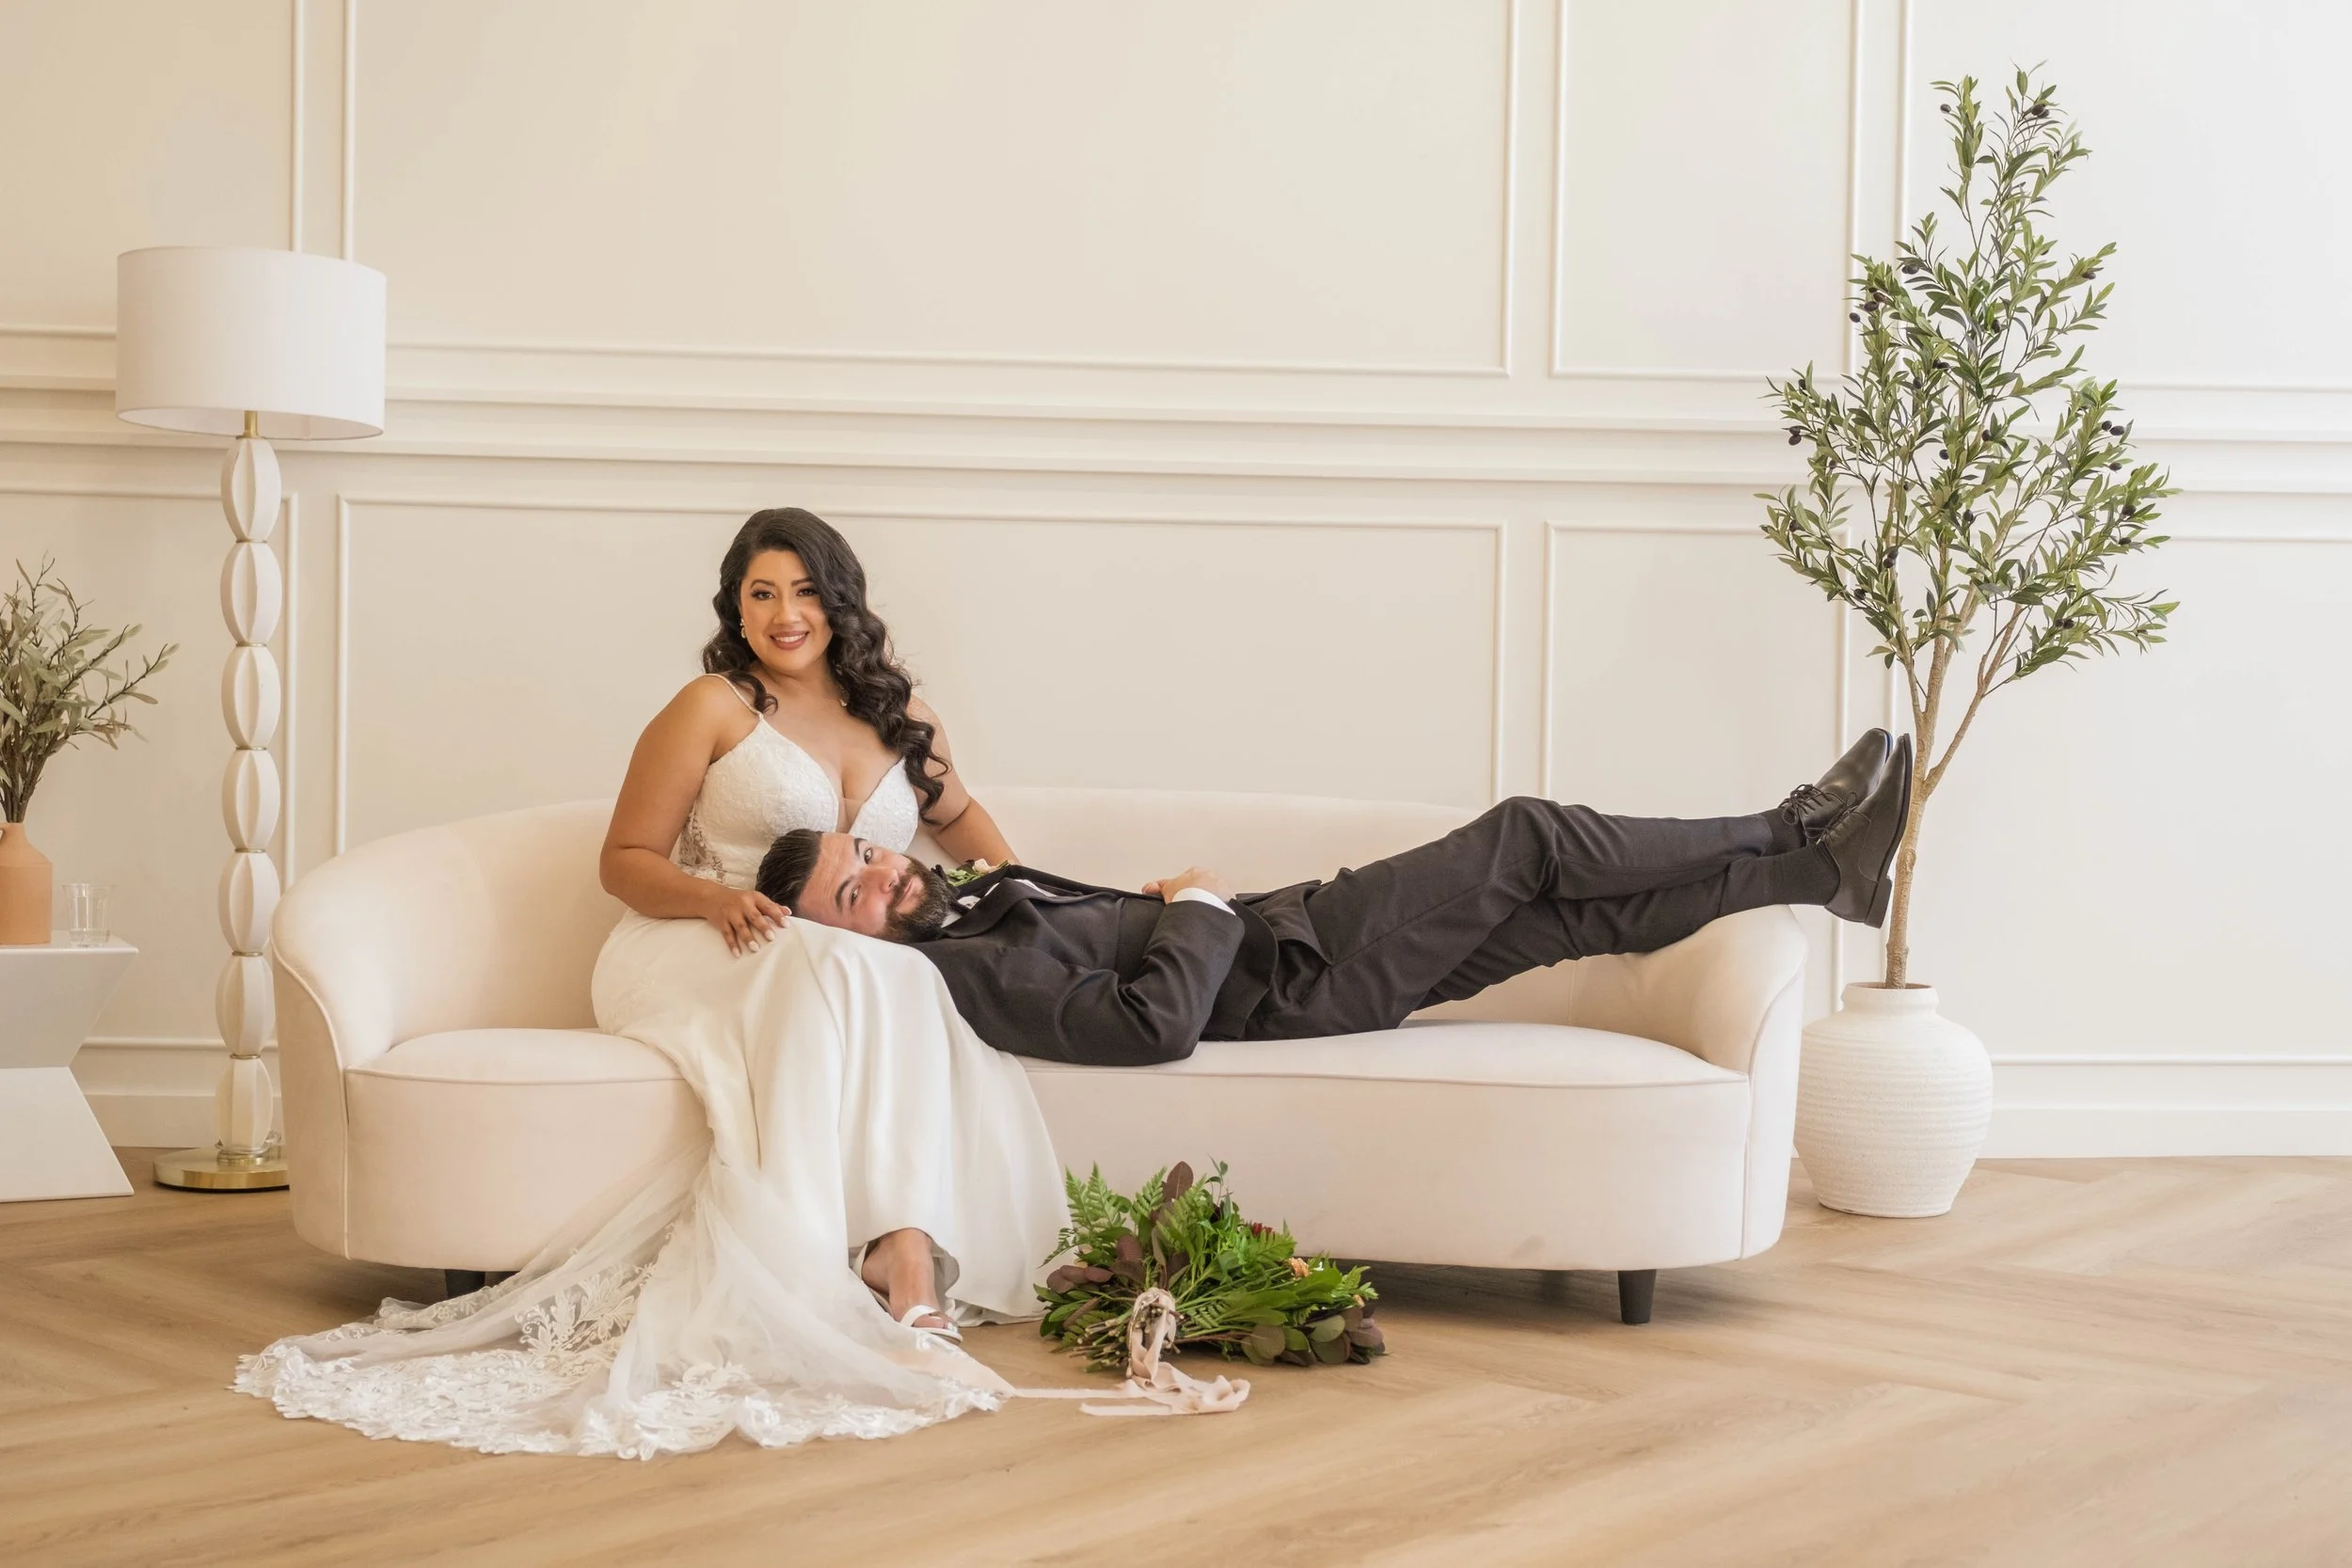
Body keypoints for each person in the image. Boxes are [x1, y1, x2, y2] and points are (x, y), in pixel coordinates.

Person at [236, 509, 1073, 1458]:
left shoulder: (901, 715)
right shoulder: (713, 705)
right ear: (735, 606)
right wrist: (714, 903)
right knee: (835, 960)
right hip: (689, 940)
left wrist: (1025, 904)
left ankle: (903, 1254)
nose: (784, 612)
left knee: (903, 973)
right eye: (761, 593)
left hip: (827, 960)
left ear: (841, 599)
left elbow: (965, 826)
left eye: (803, 590)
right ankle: (818, 1270)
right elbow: (624, 859)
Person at [756, 733, 1912, 1067]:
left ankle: (1827, 877)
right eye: (850, 895)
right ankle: (1789, 824)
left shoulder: (955, 905)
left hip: (1291, 935)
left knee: (1564, 917)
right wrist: (1199, 911)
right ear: (833, 938)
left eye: (865, 854)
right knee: (1528, 836)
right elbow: (1148, 1026)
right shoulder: (956, 976)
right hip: (1296, 975)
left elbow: (1100, 948)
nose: (881, 875)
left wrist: (1171, 904)